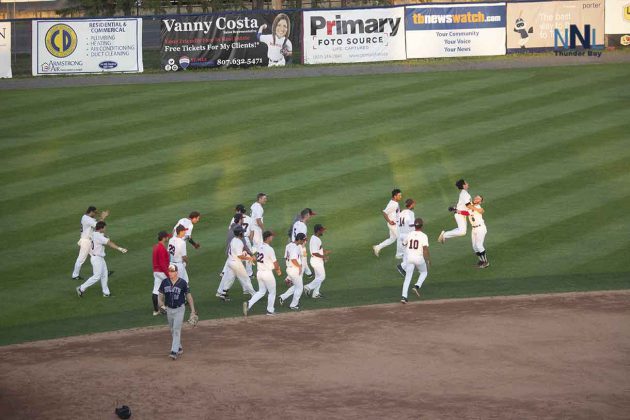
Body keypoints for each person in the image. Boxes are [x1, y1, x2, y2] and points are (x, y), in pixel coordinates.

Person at [76, 221, 127, 297]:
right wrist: (120, 249)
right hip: (96, 258)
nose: (105, 228)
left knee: (104, 274)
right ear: (101, 228)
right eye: (104, 227)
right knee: (97, 276)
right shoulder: (99, 236)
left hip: (99, 258)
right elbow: (110, 243)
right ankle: (81, 288)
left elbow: (103, 237)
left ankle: (106, 293)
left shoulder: (94, 233)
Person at [158, 264, 197, 360]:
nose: (170, 273)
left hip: (180, 309)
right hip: (169, 309)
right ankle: (179, 347)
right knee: (172, 329)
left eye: (172, 271)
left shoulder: (183, 283)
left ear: (176, 272)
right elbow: (160, 297)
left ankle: (174, 351)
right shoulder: (165, 282)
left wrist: (192, 310)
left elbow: (189, 297)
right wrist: (162, 305)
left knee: (176, 329)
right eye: (169, 271)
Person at [243, 231, 282, 316]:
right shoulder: (270, 249)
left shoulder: (259, 246)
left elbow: (256, 257)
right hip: (267, 274)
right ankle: (270, 310)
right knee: (272, 292)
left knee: (261, 291)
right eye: (271, 236)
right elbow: (275, 263)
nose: (272, 238)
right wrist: (278, 270)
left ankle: (249, 304)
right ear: (268, 238)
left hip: (259, 273)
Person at [217, 226, 257, 300]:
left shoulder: (234, 239)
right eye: (243, 232)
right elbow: (239, 256)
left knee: (230, 278)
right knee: (246, 279)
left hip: (230, 262)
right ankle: (254, 294)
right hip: (236, 263)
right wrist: (250, 258)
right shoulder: (238, 242)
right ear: (240, 233)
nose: (244, 233)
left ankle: (223, 293)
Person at [71, 206, 109, 280]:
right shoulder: (86, 219)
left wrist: (101, 216)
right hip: (86, 241)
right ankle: (75, 275)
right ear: (91, 212)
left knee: (97, 256)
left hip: (89, 240)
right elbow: (98, 225)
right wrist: (103, 217)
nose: (96, 214)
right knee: (81, 258)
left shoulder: (86, 217)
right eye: (95, 212)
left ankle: (103, 272)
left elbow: (96, 224)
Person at [452, 195, 489, 268]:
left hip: (480, 228)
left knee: (479, 245)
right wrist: (455, 210)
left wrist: (472, 206)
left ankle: (486, 262)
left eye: (479, 198)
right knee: (474, 247)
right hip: (474, 229)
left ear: (480, 202)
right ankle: (481, 261)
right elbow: (466, 213)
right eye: (476, 197)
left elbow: (482, 211)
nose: (476, 198)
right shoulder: (470, 207)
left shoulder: (478, 207)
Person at [401, 218, 430, 304]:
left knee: (407, 278)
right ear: (422, 225)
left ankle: (404, 297)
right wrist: (428, 260)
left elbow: (403, 244)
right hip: (419, 259)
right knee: (424, 272)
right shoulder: (424, 236)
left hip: (409, 259)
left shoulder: (409, 234)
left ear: (414, 225)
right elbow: (425, 249)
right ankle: (417, 286)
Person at [438, 179, 473, 243]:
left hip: (461, 214)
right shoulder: (464, 193)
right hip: (460, 214)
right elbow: (468, 205)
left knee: (462, 231)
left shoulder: (464, 193)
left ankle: (445, 234)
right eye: (466, 183)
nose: (467, 184)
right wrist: (475, 209)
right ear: (463, 185)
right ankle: (444, 235)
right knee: (462, 232)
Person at [279, 233, 306, 311]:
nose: (304, 241)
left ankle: (282, 297)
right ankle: (293, 305)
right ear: (300, 239)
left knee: (297, 286)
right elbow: (293, 259)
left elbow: (286, 257)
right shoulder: (295, 247)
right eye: (303, 240)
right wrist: (299, 266)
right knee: (300, 288)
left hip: (289, 269)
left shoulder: (289, 245)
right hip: (294, 269)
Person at [373, 189, 402, 257]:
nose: (401, 196)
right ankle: (400, 254)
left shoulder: (395, 203)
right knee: (401, 238)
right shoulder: (393, 204)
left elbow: (397, 211)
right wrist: (389, 221)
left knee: (392, 239)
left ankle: (377, 247)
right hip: (393, 225)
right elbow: (384, 212)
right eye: (399, 195)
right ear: (395, 196)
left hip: (394, 224)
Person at [304, 224, 331, 299]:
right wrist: (323, 256)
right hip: (316, 261)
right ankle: (308, 287)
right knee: (322, 277)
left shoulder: (315, 238)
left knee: (318, 277)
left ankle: (315, 293)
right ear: (318, 231)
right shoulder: (315, 239)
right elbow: (314, 253)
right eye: (322, 230)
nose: (323, 231)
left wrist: (324, 252)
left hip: (317, 260)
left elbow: (318, 250)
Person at [289, 208, 316, 278]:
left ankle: (309, 273)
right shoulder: (303, 226)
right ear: (306, 215)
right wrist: (303, 248)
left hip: (293, 244)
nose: (310, 217)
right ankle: (290, 278)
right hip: (300, 247)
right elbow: (302, 239)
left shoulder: (296, 223)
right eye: (310, 215)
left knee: (302, 261)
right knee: (302, 262)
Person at [152, 231, 171, 316]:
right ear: (164, 238)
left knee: (156, 291)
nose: (168, 238)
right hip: (162, 272)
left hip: (156, 272)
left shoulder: (156, 247)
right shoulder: (162, 248)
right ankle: (165, 307)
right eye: (167, 237)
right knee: (170, 288)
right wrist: (168, 274)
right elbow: (163, 264)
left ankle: (156, 311)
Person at [396, 199, 416, 277]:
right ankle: (402, 266)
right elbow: (411, 224)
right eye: (413, 204)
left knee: (405, 254)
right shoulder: (410, 213)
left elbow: (398, 222)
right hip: (408, 236)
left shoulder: (401, 212)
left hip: (401, 235)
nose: (414, 205)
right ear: (411, 205)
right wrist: (418, 224)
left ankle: (405, 270)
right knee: (412, 254)